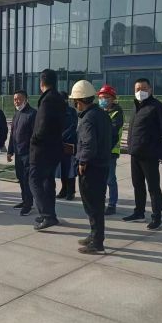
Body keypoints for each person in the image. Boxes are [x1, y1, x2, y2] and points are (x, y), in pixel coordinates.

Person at [124, 77, 162, 230]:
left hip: (150, 154)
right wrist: (130, 146)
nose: (140, 92)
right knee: (137, 185)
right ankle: (139, 212)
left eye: (143, 89)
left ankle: (156, 217)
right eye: (137, 89)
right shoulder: (136, 106)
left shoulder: (157, 107)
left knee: (153, 187)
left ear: (150, 90)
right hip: (135, 153)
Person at [69, 80, 112, 254]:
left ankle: (97, 242)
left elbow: (88, 144)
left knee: (92, 205)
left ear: (79, 101)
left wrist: (82, 161)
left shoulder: (87, 119)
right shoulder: (101, 114)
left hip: (92, 168)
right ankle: (95, 235)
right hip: (102, 164)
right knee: (97, 204)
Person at [29, 69, 66, 231]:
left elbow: (42, 126)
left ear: (41, 82)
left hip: (42, 150)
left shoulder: (47, 100)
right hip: (54, 148)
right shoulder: (58, 98)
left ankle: (47, 215)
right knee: (48, 182)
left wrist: (34, 139)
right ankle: (51, 214)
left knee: (34, 180)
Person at [7, 90, 36, 216]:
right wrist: (10, 151)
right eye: (15, 99)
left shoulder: (32, 114)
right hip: (18, 153)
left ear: (26, 99)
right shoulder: (17, 114)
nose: (16, 101)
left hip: (28, 154)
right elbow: (13, 134)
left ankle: (28, 204)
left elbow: (35, 135)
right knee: (20, 178)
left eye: (19, 99)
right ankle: (24, 200)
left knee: (27, 180)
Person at [98, 85, 124, 215]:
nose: (103, 100)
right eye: (101, 97)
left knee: (110, 179)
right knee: (100, 180)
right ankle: (100, 203)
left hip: (111, 151)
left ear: (113, 98)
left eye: (106, 97)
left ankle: (112, 205)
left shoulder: (117, 113)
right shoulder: (99, 112)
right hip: (99, 151)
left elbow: (113, 132)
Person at [56, 91, 78, 202]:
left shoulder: (72, 111)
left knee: (70, 169)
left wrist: (62, 136)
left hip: (69, 144)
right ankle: (63, 189)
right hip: (58, 144)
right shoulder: (56, 111)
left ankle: (71, 191)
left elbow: (73, 126)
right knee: (61, 168)